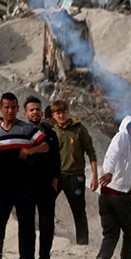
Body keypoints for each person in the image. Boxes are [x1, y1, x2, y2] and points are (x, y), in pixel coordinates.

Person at [0, 93, 49, 259]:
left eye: (13, 107)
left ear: (18, 108)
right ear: (1, 109)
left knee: (26, 225)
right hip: (2, 186)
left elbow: (45, 145)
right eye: (6, 107)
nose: (10, 111)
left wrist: (30, 150)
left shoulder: (27, 129)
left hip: (25, 185)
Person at [92, 116, 131, 259]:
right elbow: (112, 154)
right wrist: (108, 171)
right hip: (119, 194)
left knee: (111, 232)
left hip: (107, 194)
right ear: (125, 127)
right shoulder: (122, 137)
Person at [50, 99, 98, 245]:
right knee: (46, 206)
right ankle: (50, 238)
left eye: (64, 112)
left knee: (79, 212)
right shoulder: (53, 132)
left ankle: (83, 244)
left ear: (67, 112)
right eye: (58, 113)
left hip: (75, 177)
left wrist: (95, 176)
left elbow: (91, 152)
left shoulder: (79, 129)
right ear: (53, 115)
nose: (61, 115)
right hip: (57, 176)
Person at [24, 97, 61, 259]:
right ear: (25, 113)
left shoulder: (50, 134)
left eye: (37, 109)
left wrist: (55, 181)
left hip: (46, 186)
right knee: (28, 225)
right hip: (27, 186)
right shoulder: (21, 133)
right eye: (31, 110)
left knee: (47, 225)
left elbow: (56, 160)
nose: (35, 112)